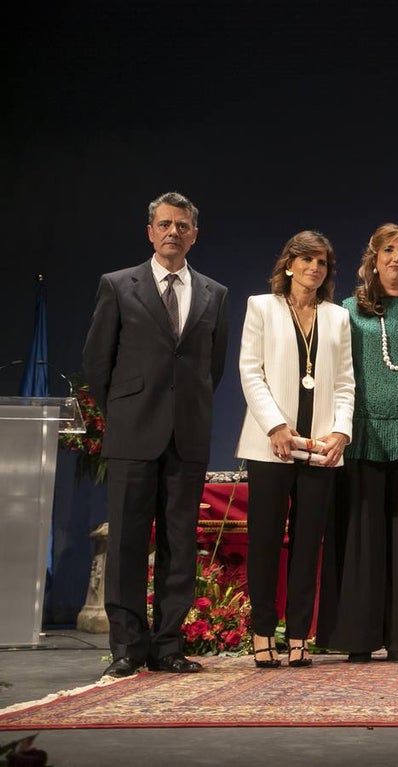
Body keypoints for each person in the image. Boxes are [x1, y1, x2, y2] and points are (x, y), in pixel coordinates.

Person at [82, 191, 229, 678]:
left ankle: (168, 645)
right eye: (164, 224)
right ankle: (127, 648)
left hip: (187, 435)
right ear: (150, 231)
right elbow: (98, 364)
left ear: (194, 234)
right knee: (126, 541)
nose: (173, 232)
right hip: (133, 434)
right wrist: (126, 414)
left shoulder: (214, 293)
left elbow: (215, 367)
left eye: (182, 225)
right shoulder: (118, 285)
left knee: (179, 544)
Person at [316, 223, 398, 663]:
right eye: (389, 250)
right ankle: (358, 638)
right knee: (361, 545)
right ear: (373, 258)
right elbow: (333, 374)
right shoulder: (348, 310)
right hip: (362, 442)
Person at [236, 231, 354, 669]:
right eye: (305, 260)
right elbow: (251, 372)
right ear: (289, 264)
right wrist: (276, 426)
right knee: (265, 542)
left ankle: (300, 634)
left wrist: (341, 432)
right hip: (272, 445)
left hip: (321, 448)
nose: (314, 268)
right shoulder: (261, 307)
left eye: (321, 262)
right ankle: (263, 632)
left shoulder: (337, 316)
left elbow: (345, 382)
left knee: (309, 545)